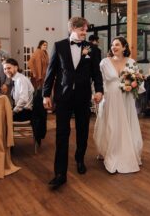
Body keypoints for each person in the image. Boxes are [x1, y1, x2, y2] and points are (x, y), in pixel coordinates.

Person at [43, 17, 103, 189]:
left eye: (86, 29)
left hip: (83, 97)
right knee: (62, 134)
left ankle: (79, 158)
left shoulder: (92, 49)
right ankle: (60, 173)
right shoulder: (59, 45)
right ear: (72, 29)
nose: (85, 32)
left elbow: (96, 74)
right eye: (82, 29)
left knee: (82, 130)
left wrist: (99, 90)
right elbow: (51, 71)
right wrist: (46, 94)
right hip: (63, 96)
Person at [94, 37, 144, 173]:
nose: (113, 47)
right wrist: (98, 94)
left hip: (125, 99)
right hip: (109, 98)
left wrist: (132, 84)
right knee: (111, 124)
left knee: (125, 124)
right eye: (112, 45)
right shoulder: (104, 62)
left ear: (124, 47)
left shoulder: (131, 62)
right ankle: (109, 151)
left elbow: (135, 82)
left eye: (117, 45)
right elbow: (100, 81)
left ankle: (127, 152)